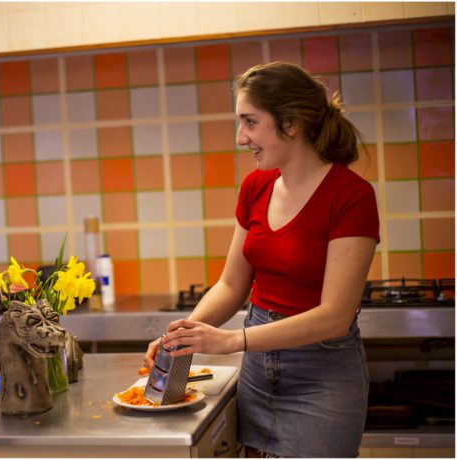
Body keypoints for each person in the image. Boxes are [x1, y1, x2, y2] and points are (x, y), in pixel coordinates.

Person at [144, 62, 379, 458]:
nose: (240, 138)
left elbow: (335, 315)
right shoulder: (256, 186)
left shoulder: (351, 196)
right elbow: (231, 285)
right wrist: (183, 335)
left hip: (322, 376)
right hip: (257, 372)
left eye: (250, 122)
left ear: (291, 123)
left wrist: (232, 340)